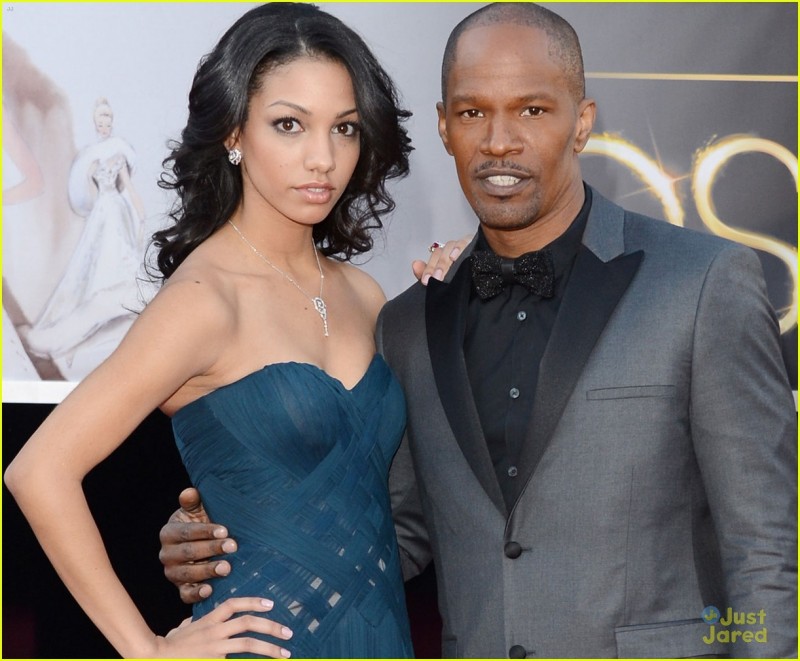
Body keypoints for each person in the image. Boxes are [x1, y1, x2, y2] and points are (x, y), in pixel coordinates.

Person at [159, 3, 798, 658]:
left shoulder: (701, 285)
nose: (498, 140)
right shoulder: (408, 323)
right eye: (472, 113)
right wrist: (238, 530)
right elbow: (391, 531)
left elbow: (768, 553)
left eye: (532, 110)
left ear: (581, 124)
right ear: (444, 126)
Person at [2, 2, 441, 657]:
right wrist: (147, 647)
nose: (322, 158)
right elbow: (38, 470)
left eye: (344, 129)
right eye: (289, 125)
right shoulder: (204, 301)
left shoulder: (362, 293)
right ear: (234, 133)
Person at [21, 98, 147, 379]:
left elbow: (128, 188)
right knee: (94, 264)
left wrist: (140, 214)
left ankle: (120, 332)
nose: (103, 127)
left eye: (107, 122)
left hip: (116, 210)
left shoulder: (118, 153)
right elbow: (91, 198)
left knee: (121, 261)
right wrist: (91, 180)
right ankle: (90, 333)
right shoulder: (91, 157)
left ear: (112, 123)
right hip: (101, 213)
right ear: (95, 124)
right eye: (99, 123)